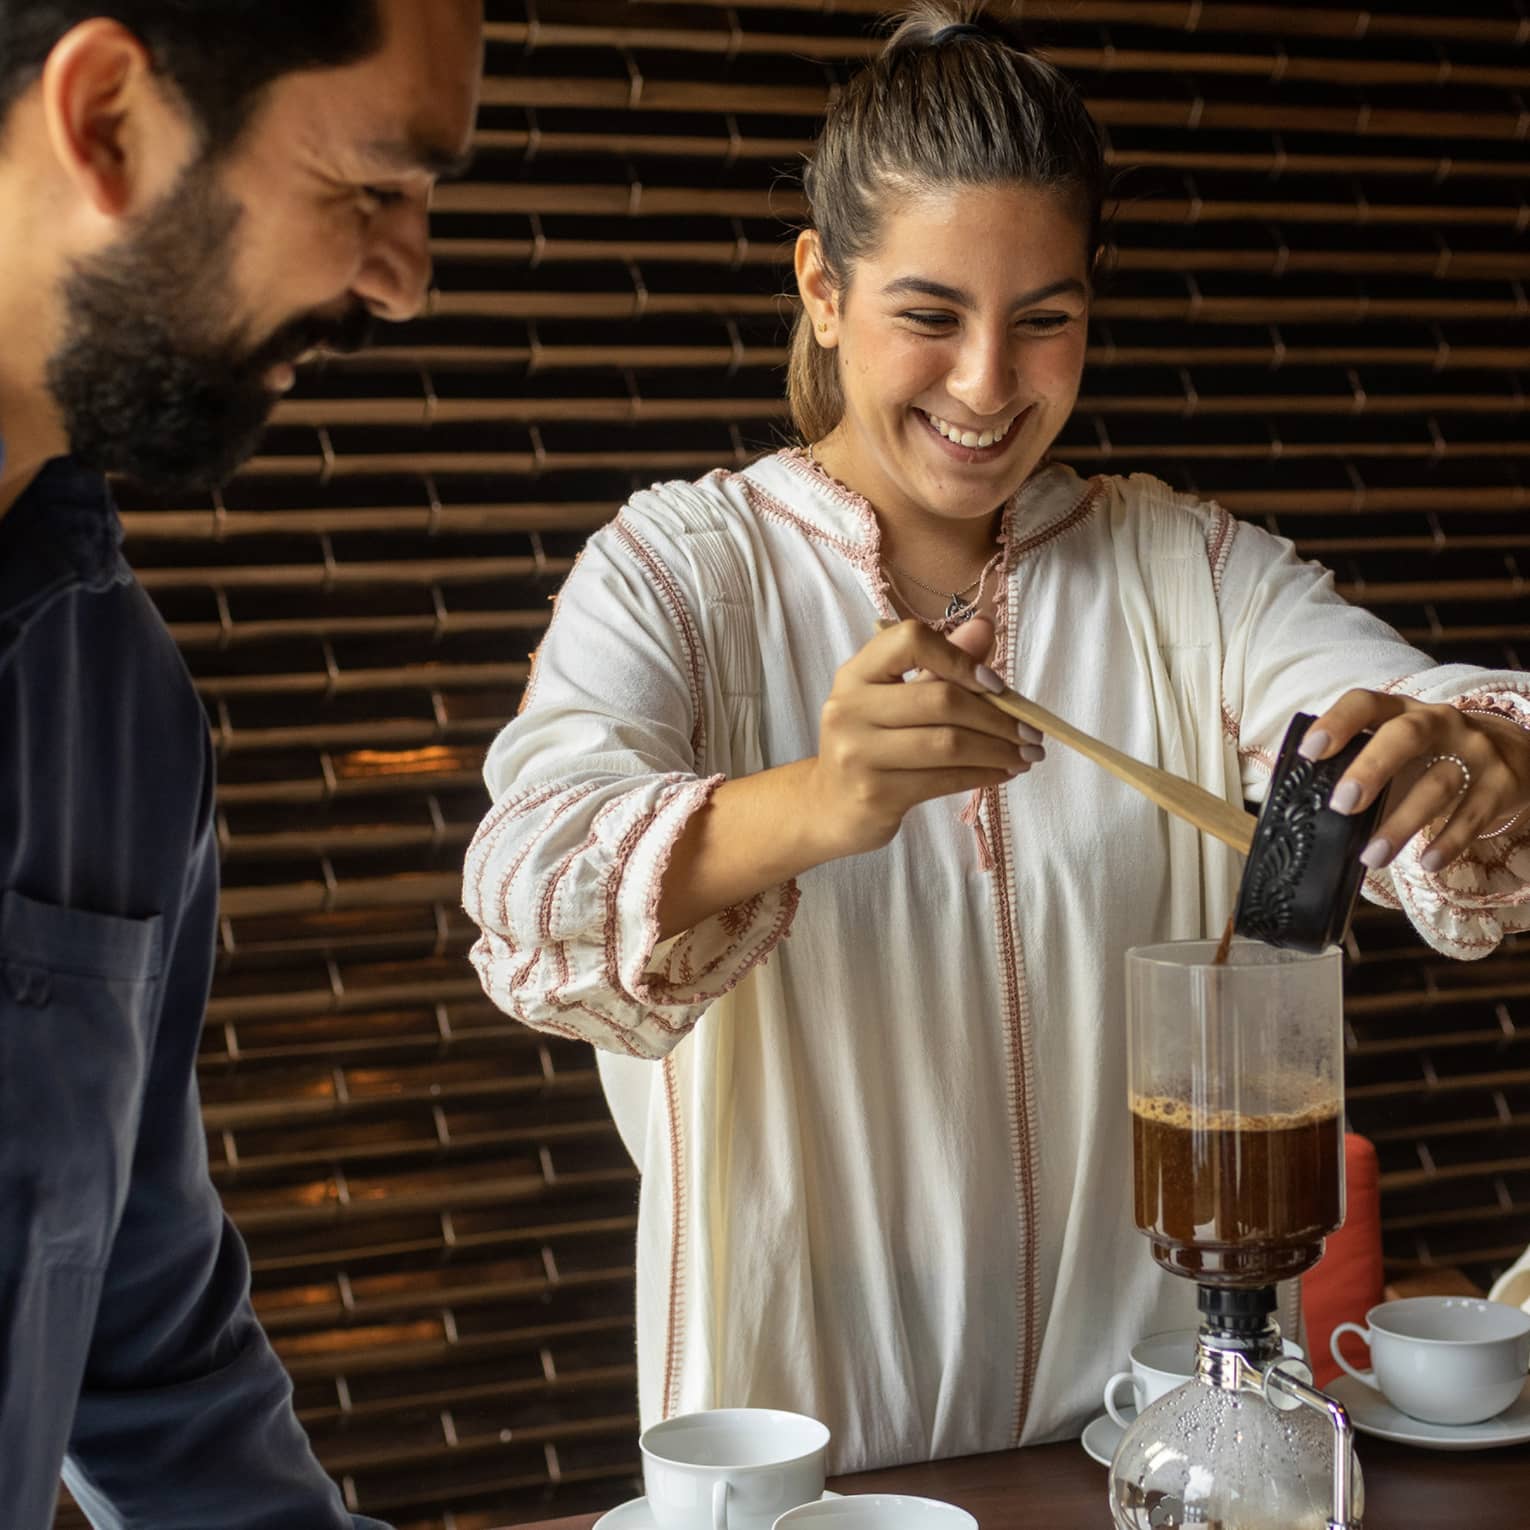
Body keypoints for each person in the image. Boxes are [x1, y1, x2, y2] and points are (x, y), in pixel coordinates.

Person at [462, 2, 1530, 1475]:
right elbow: (528, 883)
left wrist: (1470, 754)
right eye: (928, 314)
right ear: (820, 291)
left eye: (1044, 320)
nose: (985, 385)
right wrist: (821, 800)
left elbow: (1426, 708)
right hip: (802, 1458)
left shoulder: (1184, 571)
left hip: (1152, 1443)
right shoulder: (679, 570)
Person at [0, 3, 482, 1525]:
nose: (402, 284)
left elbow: (146, 1347)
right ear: (109, 121)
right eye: (369, 188)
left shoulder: (119, 710)